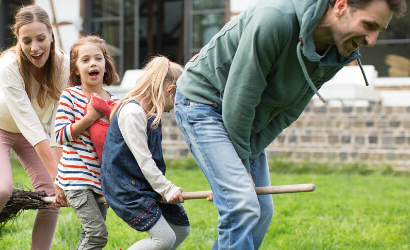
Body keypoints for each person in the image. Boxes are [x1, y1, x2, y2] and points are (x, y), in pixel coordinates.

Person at [173, 0, 407, 249]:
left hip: (247, 119)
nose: (371, 40)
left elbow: (289, 109)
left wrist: (238, 171)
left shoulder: (338, 50)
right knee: (242, 205)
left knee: (260, 210)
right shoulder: (274, 20)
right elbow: (240, 101)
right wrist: (240, 173)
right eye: (369, 25)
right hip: (204, 104)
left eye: (378, 30)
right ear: (341, 6)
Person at [0, 5, 70, 250]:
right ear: (18, 41)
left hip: (28, 130)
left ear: (51, 35)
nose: (35, 48)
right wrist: (57, 175)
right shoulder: (9, 66)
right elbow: (29, 123)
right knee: (1, 189)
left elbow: (58, 120)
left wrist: (60, 175)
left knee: (51, 196)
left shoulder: (63, 65)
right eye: (27, 41)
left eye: (41, 38)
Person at [101, 56, 190, 250]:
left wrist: (162, 188)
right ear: (170, 90)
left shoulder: (150, 115)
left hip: (144, 184)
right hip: (126, 187)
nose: (173, 108)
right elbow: (144, 160)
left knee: (180, 230)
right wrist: (167, 189)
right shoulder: (133, 113)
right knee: (164, 239)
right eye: (177, 101)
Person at [54, 35, 119, 249]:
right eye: (85, 59)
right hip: (76, 177)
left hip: (100, 180)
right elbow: (60, 135)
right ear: (75, 69)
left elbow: (117, 146)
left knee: (89, 236)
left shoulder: (114, 101)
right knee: (97, 235)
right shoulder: (70, 96)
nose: (93, 63)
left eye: (98, 58)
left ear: (105, 64)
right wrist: (89, 118)